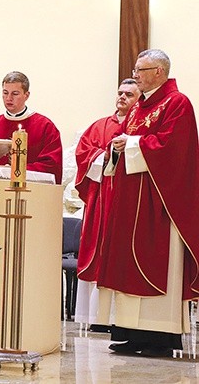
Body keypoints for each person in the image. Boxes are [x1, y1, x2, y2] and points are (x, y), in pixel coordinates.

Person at [96, 49, 199, 357]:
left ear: (160, 72)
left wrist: (132, 143)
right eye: (136, 68)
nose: (136, 74)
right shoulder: (140, 106)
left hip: (158, 202)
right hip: (131, 200)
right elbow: (129, 140)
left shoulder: (177, 103)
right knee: (128, 266)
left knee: (155, 263)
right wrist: (118, 149)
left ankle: (158, 338)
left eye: (142, 70)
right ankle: (132, 333)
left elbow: (174, 149)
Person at [73, 79, 141, 331]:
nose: (122, 98)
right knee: (98, 253)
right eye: (120, 93)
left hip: (129, 203)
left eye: (129, 95)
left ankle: (120, 320)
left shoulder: (140, 127)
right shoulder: (100, 126)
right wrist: (108, 155)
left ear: (139, 98)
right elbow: (83, 154)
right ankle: (96, 318)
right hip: (101, 200)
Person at [0, 71, 63, 183]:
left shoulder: (45, 126)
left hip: (31, 191)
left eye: (15, 94)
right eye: (5, 93)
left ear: (26, 95)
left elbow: (52, 166)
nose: (9, 98)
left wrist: (17, 170)